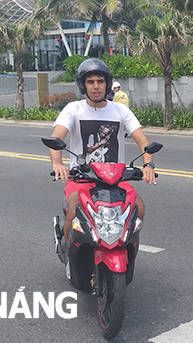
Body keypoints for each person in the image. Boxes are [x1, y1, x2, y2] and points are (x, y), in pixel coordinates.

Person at [47, 58, 156, 249]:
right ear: (83, 85)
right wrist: (57, 163)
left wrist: (148, 165)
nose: (96, 87)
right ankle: (67, 251)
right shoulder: (74, 109)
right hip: (82, 178)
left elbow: (142, 140)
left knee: (138, 207)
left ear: (107, 84)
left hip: (115, 179)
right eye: (90, 82)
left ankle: (128, 246)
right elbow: (57, 137)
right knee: (74, 210)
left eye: (100, 81)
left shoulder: (120, 110)